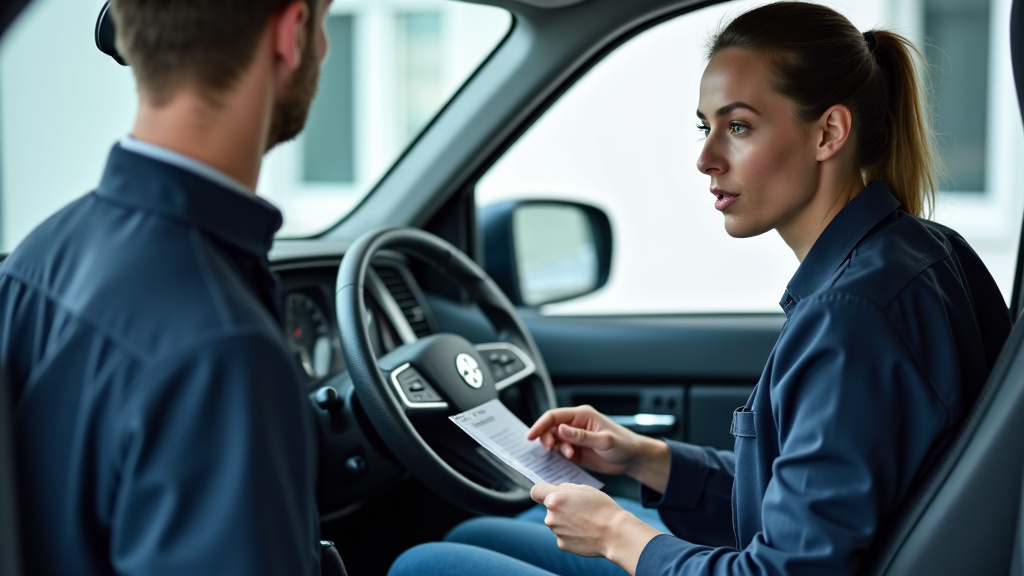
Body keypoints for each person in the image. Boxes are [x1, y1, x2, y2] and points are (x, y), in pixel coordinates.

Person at [387, 2, 1012, 575]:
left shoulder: (850, 316)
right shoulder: (922, 251)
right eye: (704, 127)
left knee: (425, 565)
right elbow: (801, 493)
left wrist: (615, 533)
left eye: (738, 127)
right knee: (484, 532)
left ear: (828, 134)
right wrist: (642, 457)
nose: (706, 158)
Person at [0, 0, 332, 574]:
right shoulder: (225, 352)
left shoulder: (34, 258)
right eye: (323, 26)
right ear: (290, 32)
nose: (325, 51)